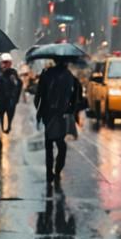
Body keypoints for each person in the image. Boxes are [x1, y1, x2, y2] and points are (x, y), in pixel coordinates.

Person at [35, 59, 85, 191]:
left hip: (48, 114)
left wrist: (39, 113)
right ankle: (57, 170)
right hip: (62, 115)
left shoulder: (46, 74)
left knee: (49, 145)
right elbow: (77, 95)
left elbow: (38, 95)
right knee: (61, 144)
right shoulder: (69, 76)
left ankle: (49, 174)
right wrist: (71, 110)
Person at [0, 54, 23, 133]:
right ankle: (2, 128)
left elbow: (19, 84)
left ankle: (8, 126)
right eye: (3, 62)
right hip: (1, 99)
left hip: (10, 100)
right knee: (0, 115)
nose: (4, 64)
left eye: (6, 62)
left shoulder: (13, 73)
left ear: (10, 63)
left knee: (10, 115)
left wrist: (16, 98)